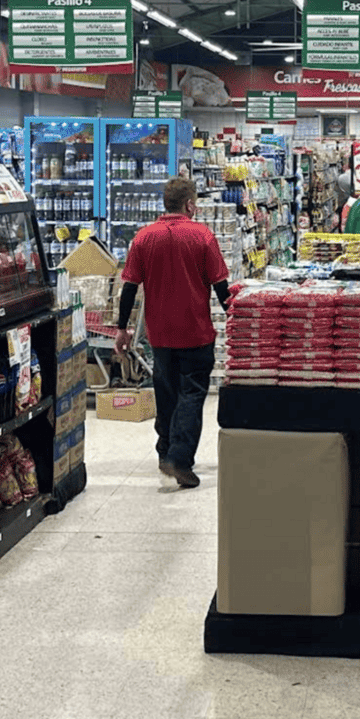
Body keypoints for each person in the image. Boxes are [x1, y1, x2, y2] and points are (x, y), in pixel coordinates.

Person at [114, 175, 230, 489]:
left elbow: (128, 288)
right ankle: (180, 459)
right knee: (192, 395)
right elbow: (221, 286)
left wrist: (122, 329)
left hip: (160, 335)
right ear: (189, 204)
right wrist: (237, 316)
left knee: (166, 395)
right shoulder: (202, 236)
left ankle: (165, 451)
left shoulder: (144, 237)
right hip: (196, 332)